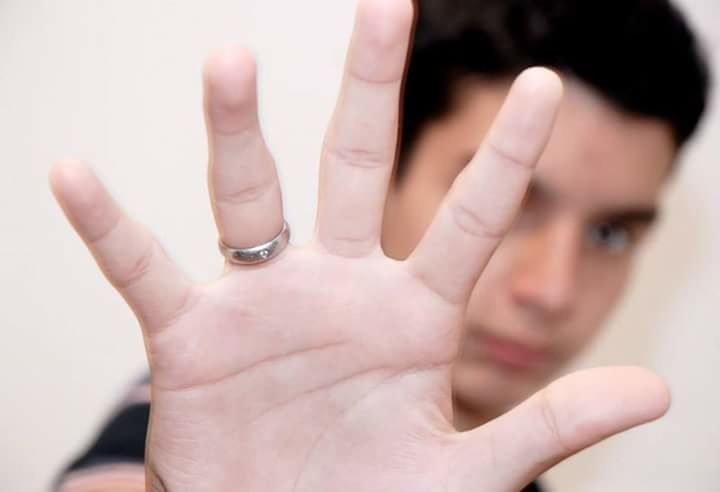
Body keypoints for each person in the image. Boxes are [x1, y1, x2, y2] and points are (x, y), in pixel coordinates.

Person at [49, 0, 709, 490]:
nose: (554, 290)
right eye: (507, 201)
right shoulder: (211, 423)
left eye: (608, 233)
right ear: (388, 172)